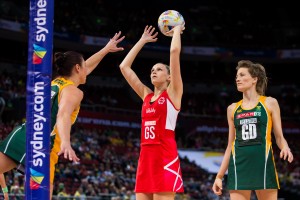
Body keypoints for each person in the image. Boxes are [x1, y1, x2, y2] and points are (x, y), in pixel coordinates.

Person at [0, 31, 125, 199]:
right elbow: (63, 114)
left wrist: (106, 49)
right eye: (83, 67)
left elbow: (86, 67)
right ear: (78, 68)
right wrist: (66, 142)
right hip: (43, 147)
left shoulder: (54, 83)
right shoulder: (73, 91)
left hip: (24, 135)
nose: (87, 69)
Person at [119, 24, 185, 200]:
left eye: (159, 69)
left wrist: (177, 30)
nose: (154, 72)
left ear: (169, 77)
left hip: (165, 157)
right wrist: (142, 41)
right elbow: (124, 67)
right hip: (145, 160)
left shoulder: (173, 93)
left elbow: (174, 53)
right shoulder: (146, 95)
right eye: (152, 70)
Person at [212, 60, 294, 200]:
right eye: (237, 76)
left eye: (242, 75)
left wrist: (285, 147)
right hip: (239, 167)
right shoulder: (232, 109)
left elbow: (279, 137)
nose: (237, 78)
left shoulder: (270, 103)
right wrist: (219, 176)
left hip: (263, 165)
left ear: (254, 79)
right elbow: (230, 145)